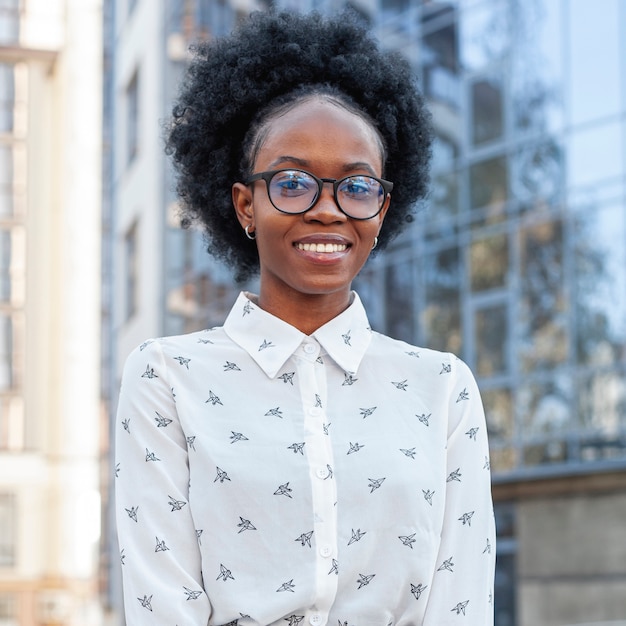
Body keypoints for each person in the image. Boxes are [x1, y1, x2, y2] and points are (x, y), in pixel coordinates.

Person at [115, 10, 495, 626]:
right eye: (292, 183)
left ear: (383, 208)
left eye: (357, 186)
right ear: (245, 203)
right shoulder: (166, 378)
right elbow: (162, 607)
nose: (327, 211)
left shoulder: (443, 389)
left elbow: (462, 605)